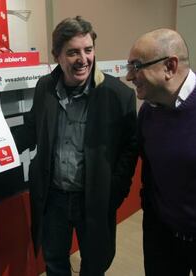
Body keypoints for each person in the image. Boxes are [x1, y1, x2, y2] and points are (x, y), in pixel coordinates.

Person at [14, 16, 138, 275]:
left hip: (93, 199)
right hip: (53, 199)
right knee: (55, 264)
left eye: (88, 50)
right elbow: (30, 130)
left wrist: (115, 192)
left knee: (95, 265)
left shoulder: (118, 95)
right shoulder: (45, 87)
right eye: (73, 52)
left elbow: (129, 148)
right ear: (57, 55)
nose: (83, 59)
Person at [126, 28, 196, 276]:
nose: (128, 76)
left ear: (170, 66)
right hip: (164, 238)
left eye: (136, 66)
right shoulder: (148, 113)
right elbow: (150, 171)